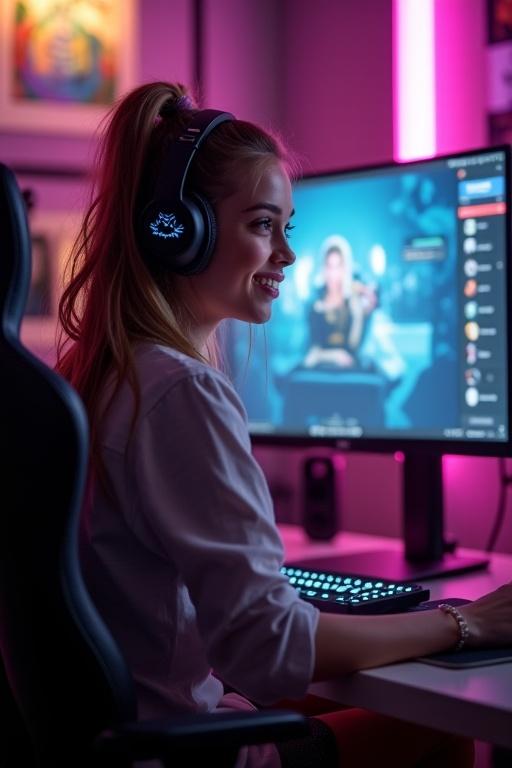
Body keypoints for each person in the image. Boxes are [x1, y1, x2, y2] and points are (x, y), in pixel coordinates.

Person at [56, 81, 512, 768]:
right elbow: (267, 650)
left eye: (287, 228)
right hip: (183, 756)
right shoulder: (180, 392)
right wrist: (464, 622)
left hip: (121, 734)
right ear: (178, 230)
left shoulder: (95, 372)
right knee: (443, 730)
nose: (289, 257)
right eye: (263, 225)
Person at [303, 235, 376, 370]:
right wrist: (335, 355)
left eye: (338, 266)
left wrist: (359, 314)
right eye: (329, 266)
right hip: (320, 368)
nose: (333, 274)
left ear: (346, 268)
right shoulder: (314, 304)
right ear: (323, 268)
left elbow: (354, 347)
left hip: (350, 370)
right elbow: (312, 350)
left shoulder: (353, 302)